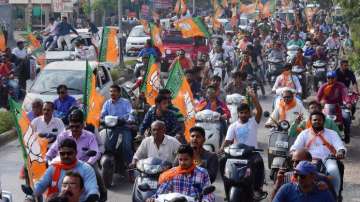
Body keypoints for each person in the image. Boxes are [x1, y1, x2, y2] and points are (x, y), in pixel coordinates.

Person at [219, 88, 266, 199]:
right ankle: (227, 188)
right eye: (241, 113)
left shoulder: (253, 122)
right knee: (222, 162)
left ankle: (257, 188)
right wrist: (221, 150)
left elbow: (259, 110)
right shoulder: (233, 126)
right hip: (236, 154)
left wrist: (253, 97)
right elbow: (227, 141)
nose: (243, 115)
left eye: (246, 113)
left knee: (259, 163)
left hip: (252, 153)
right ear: (238, 114)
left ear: (249, 113)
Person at [290, 112, 346, 196]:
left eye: (319, 120)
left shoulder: (332, 133)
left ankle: (335, 195)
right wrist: (293, 152)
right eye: (314, 120)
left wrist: (340, 151)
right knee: (295, 173)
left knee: (333, 170)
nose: (317, 121)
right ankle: (293, 193)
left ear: (324, 121)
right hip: (307, 160)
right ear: (311, 121)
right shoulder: (304, 133)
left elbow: (340, 146)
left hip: (327, 159)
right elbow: (295, 147)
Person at [34, 138, 99, 201]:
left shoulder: (86, 168)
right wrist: (31, 196)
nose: (66, 156)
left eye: (69, 153)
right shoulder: (53, 168)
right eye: (62, 154)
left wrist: (92, 196)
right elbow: (41, 185)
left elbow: (92, 189)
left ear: (76, 153)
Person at [146, 145, 215, 202]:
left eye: (185, 159)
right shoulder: (172, 173)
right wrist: (152, 199)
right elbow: (161, 191)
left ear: (192, 158)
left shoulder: (202, 173)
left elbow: (209, 195)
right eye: (180, 159)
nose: (182, 163)